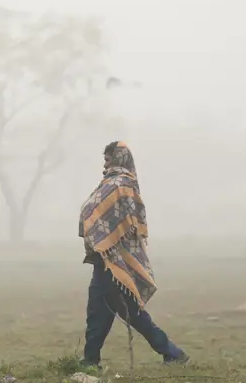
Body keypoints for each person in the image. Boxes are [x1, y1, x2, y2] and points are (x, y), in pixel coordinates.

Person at [78, 141, 190, 368]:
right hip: (105, 259)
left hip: (117, 260)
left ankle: (173, 353)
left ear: (119, 158)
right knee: (98, 312)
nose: (105, 163)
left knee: (130, 313)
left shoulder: (122, 184)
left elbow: (119, 219)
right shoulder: (111, 183)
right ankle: (90, 360)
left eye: (108, 158)